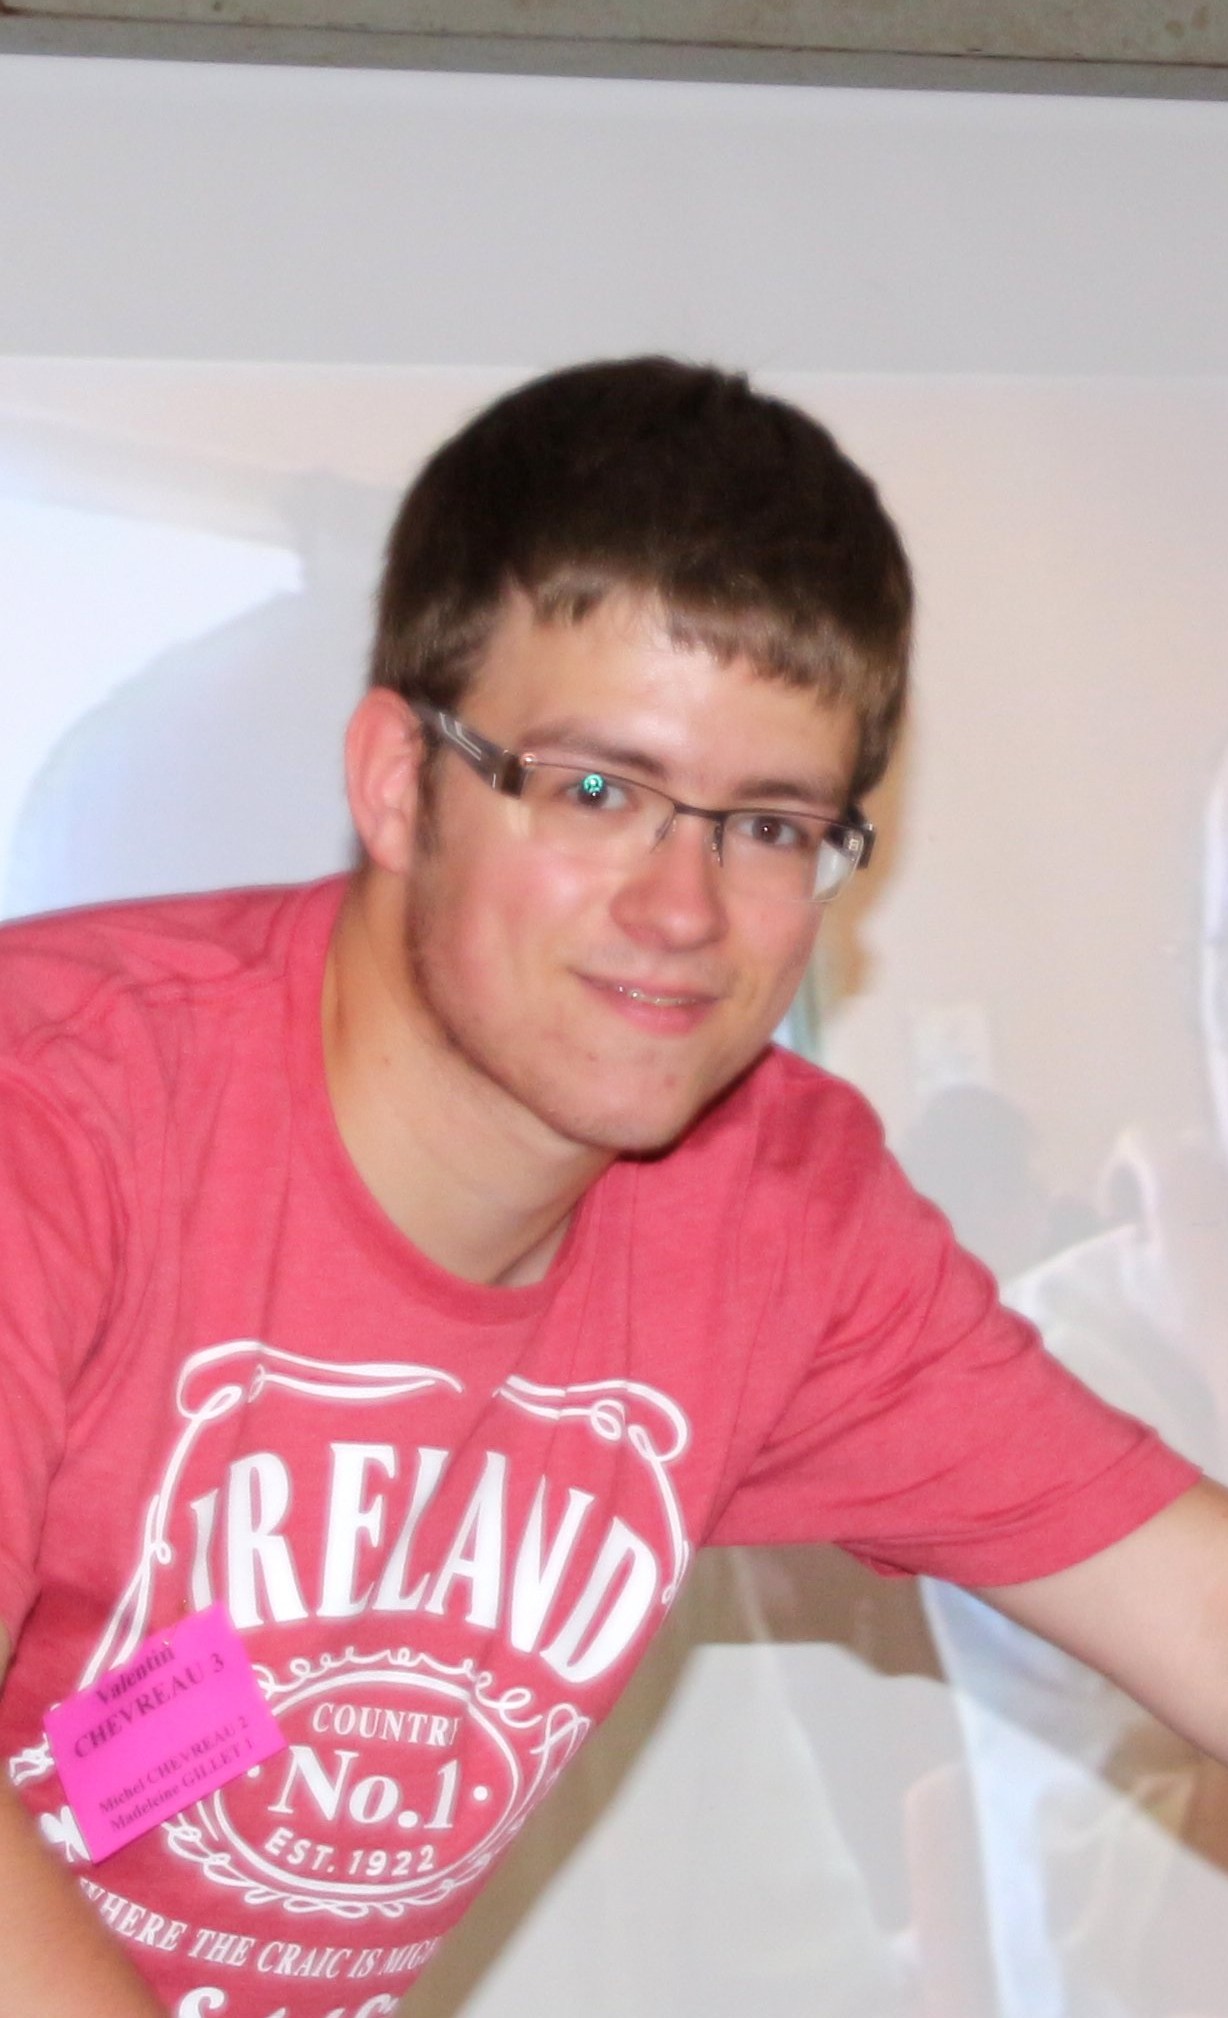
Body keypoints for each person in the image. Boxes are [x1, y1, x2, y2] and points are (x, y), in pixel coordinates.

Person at [0, 355, 1221, 2018]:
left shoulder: (778, 1219)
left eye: (770, 825)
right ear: (395, 781)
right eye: (596, 790)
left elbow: (1191, 1599)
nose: (683, 907)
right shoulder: (57, 1111)